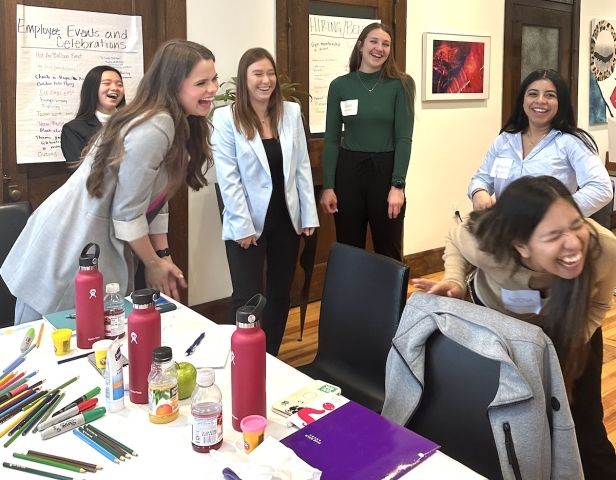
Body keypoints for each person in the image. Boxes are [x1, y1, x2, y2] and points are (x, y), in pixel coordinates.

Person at [1, 40, 219, 324]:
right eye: (201, 82)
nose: (213, 89)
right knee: (40, 342)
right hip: (70, 243)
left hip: (89, 245)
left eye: (214, 79)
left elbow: (152, 201)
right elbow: (127, 212)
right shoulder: (155, 125)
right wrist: (152, 263)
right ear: (173, 84)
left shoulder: (178, 124)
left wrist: (162, 255)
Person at [413, 175, 616, 479]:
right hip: (499, 330)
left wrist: (573, 341)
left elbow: (599, 304)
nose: (574, 243)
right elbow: (457, 236)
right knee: (503, 420)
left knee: (583, 427)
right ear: (521, 246)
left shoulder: (604, 249)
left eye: (576, 224)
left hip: (569, 329)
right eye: (553, 235)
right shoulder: (489, 243)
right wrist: (454, 279)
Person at [212, 47, 319, 356]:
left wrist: (308, 215)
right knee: (246, 295)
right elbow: (228, 177)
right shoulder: (226, 118)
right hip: (246, 223)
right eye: (257, 74)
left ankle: (270, 355)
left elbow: (300, 166)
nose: (265, 80)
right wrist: (243, 225)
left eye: (270, 73)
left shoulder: (290, 112)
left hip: (286, 219)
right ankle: (243, 356)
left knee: (281, 292)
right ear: (244, 79)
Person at [319, 22, 415, 261]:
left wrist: (398, 186)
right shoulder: (340, 86)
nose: (379, 48)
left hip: (386, 174)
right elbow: (331, 140)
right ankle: (353, 299)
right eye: (374, 41)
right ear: (360, 46)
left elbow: (404, 138)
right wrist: (328, 186)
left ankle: (391, 299)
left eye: (386, 44)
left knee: (389, 251)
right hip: (349, 173)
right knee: (349, 251)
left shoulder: (401, 84)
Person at [468, 68, 612, 219]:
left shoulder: (572, 142)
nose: (540, 100)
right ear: (523, 99)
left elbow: (601, 188)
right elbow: (481, 179)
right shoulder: (504, 140)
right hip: (505, 229)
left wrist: (554, 212)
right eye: (533, 94)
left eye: (550, 95)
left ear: (560, 103)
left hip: (549, 233)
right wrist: (479, 192)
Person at [61, 65, 126, 167]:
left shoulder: (132, 122)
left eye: (119, 84)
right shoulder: (73, 129)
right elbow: (79, 171)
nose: (115, 88)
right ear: (92, 89)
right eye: (106, 83)